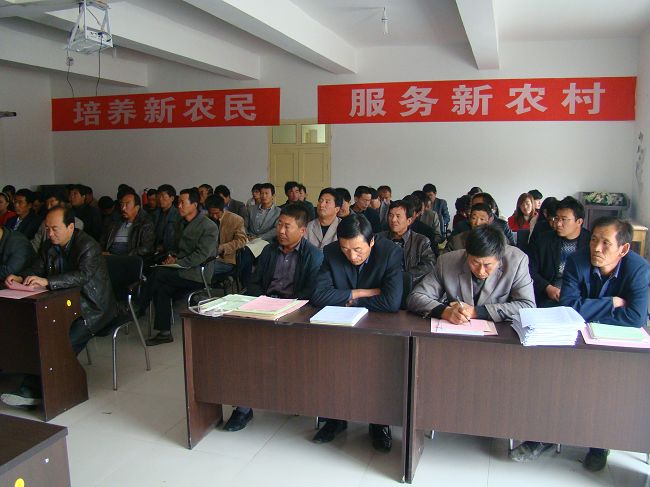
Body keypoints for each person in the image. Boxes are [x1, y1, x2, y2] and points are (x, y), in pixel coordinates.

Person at [513, 217, 650, 472]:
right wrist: (611, 303)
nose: (596, 248)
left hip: (613, 342)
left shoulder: (639, 269)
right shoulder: (578, 261)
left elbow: (635, 318)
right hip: (573, 336)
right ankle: (543, 435)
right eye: (594, 240)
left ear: (623, 249)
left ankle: (599, 444)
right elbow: (568, 306)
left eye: (606, 243)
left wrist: (588, 311)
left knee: (604, 389)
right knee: (553, 380)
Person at [2, 206, 116, 407]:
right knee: (38, 334)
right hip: (61, 303)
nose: (50, 233)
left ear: (70, 227)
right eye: (47, 229)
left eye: (55, 229)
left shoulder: (88, 245)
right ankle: (32, 382)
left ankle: (36, 390)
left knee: (60, 342)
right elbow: (37, 267)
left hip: (91, 307)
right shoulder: (49, 245)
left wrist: (47, 281)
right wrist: (21, 277)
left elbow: (82, 276)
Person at [224, 204, 323, 432]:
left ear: (302, 231)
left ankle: (295, 397)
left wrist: (285, 307)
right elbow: (254, 282)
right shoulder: (269, 251)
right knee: (242, 350)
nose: (281, 230)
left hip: (295, 315)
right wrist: (261, 302)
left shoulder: (314, 256)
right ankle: (243, 408)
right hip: (264, 310)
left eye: (287, 226)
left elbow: (311, 292)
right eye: (279, 224)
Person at [310, 213, 403, 452]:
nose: (352, 256)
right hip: (341, 325)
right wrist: (362, 292)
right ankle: (336, 418)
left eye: (358, 250)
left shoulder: (389, 252)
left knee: (378, 371)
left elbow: (391, 301)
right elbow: (318, 295)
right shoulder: (331, 252)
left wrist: (348, 299)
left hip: (379, 326)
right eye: (346, 249)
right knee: (332, 365)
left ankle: (379, 423)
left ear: (371, 242)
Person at [407, 225, 535, 323]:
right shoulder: (447, 262)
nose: (481, 271)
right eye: (475, 263)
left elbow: (527, 306)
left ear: (499, 258)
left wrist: (476, 312)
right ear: (466, 254)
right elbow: (415, 297)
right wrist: (445, 311)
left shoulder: (516, 261)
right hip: (457, 332)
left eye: (487, 265)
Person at [142, 188, 219, 346]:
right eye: (178, 203)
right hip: (179, 270)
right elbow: (176, 248)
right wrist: (172, 257)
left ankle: (139, 306)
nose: (179, 206)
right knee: (161, 287)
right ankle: (164, 333)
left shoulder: (208, 226)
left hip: (197, 273)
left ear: (194, 205)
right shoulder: (180, 223)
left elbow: (201, 255)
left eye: (183, 203)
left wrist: (178, 262)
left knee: (158, 274)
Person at [528, 196, 590, 308]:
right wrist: (547, 287)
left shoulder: (590, 242)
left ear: (579, 221)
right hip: (549, 297)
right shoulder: (543, 240)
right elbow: (530, 269)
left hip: (580, 299)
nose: (558, 224)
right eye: (556, 218)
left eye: (564, 219)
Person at [377, 199, 435, 286]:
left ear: (409, 221)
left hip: (410, 286)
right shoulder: (379, 238)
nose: (393, 220)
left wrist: (404, 278)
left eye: (398, 216)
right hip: (382, 284)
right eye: (390, 215)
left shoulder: (421, 241)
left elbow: (429, 265)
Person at [101, 189, 155, 259]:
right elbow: (103, 241)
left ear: (137, 207)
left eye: (127, 204)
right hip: (109, 259)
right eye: (122, 204)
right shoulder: (115, 222)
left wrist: (121, 257)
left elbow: (146, 248)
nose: (123, 208)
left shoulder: (145, 224)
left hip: (129, 260)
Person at [204, 194, 247, 275]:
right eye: (211, 213)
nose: (214, 216)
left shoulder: (235, 219)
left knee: (203, 270)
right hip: (205, 257)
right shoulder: (204, 219)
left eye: (217, 213)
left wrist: (223, 247)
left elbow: (242, 240)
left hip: (225, 260)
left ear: (223, 209)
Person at [153, 184, 182, 256]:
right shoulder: (154, 214)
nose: (160, 199)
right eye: (159, 196)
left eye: (163, 196)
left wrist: (165, 247)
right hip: (155, 250)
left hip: (171, 252)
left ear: (172, 198)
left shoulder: (179, 215)